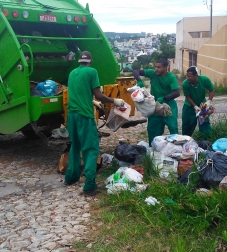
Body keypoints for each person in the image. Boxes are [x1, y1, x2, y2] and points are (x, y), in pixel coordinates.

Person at [64, 51, 126, 196]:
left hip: (72, 115)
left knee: (75, 145)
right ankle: (89, 186)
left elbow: (77, 92)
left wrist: (91, 100)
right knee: (91, 149)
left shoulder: (73, 73)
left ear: (79, 61)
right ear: (90, 61)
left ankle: (71, 178)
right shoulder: (92, 71)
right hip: (85, 116)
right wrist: (114, 101)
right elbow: (99, 94)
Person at [133, 58, 180, 144]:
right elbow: (136, 71)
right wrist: (139, 80)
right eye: (156, 67)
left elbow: (177, 92)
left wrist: (164, 98)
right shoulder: (153, 74)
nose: (156, 69)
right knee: (153, 129)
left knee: (173, 127)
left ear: (166, 67)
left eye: (159, 67)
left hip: (168, 105)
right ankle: (153, 148)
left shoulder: (171, 77)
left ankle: (176, 147)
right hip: (155, 106)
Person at [182, 66, 215, 138]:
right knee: (188, 125)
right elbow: (188, 96)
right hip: (189, 106)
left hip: (202, 104)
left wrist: (209, 101)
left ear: (196, 75)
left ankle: (206, 141)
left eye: (189, 76)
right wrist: (195, 106)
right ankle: (185, 141)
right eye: (186, 76)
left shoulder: (204, 80)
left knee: (204, 123)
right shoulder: (185, 83)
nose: (187, 78)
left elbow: (211, 90)